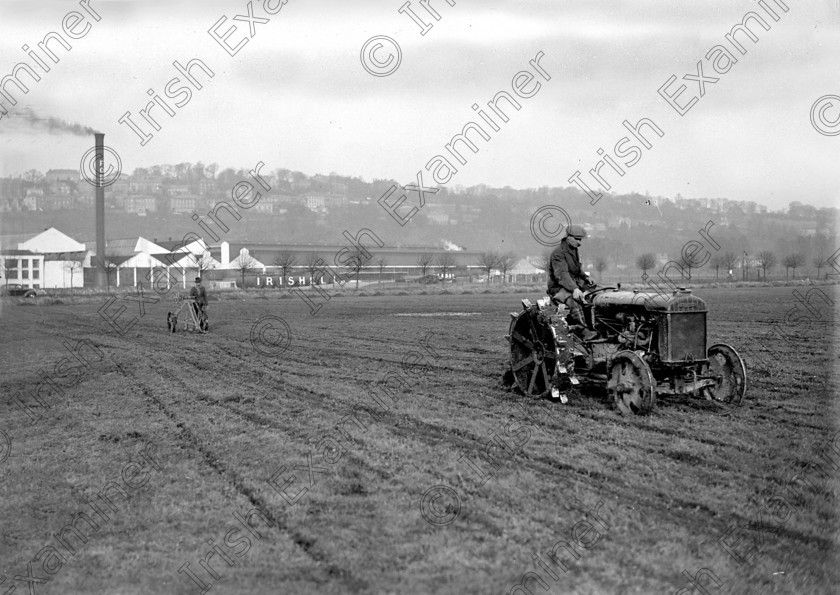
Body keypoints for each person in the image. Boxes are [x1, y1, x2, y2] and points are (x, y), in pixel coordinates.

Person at [547, 224, 598, 341]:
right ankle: (582, 330)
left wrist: (585, 278)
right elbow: (562, 275)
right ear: (568, 237)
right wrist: (574, 289)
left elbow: (577, 269)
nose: (579, 242)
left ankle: (595, 326)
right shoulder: (558, 253)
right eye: (577, 239)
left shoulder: (573, 250)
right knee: (575, 300)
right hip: (558, 288)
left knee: (596, 294)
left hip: (573, 284)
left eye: (580, 239)